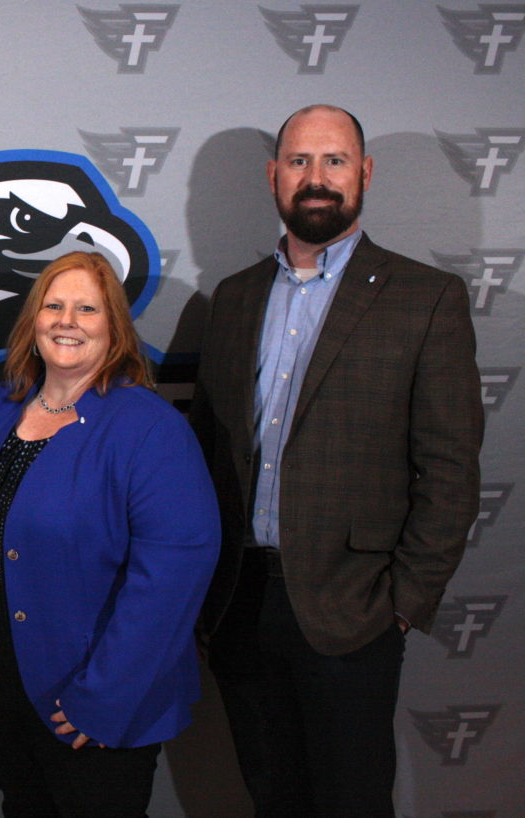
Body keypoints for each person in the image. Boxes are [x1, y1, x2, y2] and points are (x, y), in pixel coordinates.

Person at [191, 104, 484, 817]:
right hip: (239, 603)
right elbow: (207, 453)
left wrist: (402, 606)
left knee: (351, 801)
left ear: (364, 174)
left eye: (334, 161)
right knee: (269, 796)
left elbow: (450, 470)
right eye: (298, 162)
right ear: (273, 177)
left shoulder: (427, 299)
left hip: (353, 611)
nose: (315, 179)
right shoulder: (232, 299)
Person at [0, 251, 220, 816]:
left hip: (94, 697)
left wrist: (104, 699)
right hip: (9, 685)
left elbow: (174, 576)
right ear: (32, 319)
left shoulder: (148, 427)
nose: (67, 320)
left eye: (87, 308)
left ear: (114, 327)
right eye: (53, 305)